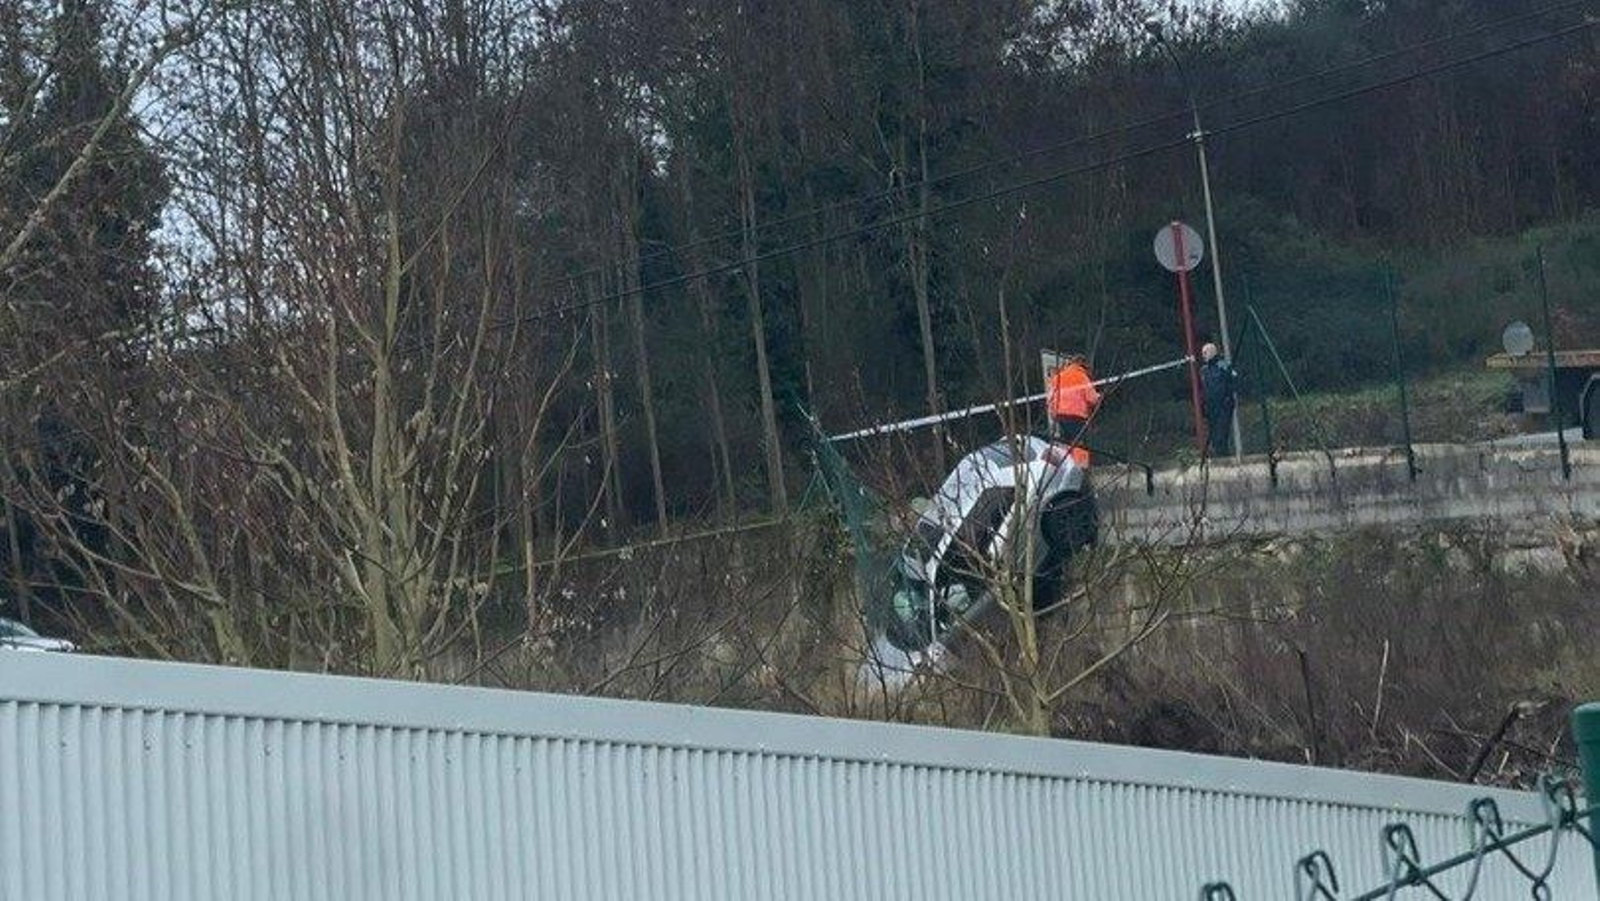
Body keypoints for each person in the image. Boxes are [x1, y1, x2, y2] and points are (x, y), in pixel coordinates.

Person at [1047, 355, 1100, 466]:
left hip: (1060, 416)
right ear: (1083, 366)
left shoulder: (1057, 377)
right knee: (1079, 444)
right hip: (1076, 416)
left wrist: (1053, 414)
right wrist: (1099, 396)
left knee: (1065, 444)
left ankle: (1066, 467)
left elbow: (1050, 399)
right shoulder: (1081, 376)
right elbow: (1092, 398)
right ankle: (1081, 468)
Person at [1199, 342, 1237, 458]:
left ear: (1212, 352)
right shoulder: (1204, 370)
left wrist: (1228, 397)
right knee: (1215, 438)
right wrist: (1204, 406)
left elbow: (1235, 380)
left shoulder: (1224, 365)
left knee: (1221, 436)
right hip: (1211, 408)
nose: (1203, 355)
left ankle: (1225, 460)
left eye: (1205, 353)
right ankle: (1222, 460)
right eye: (1202, 353)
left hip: (1224, 406)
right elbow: (1204, 389)